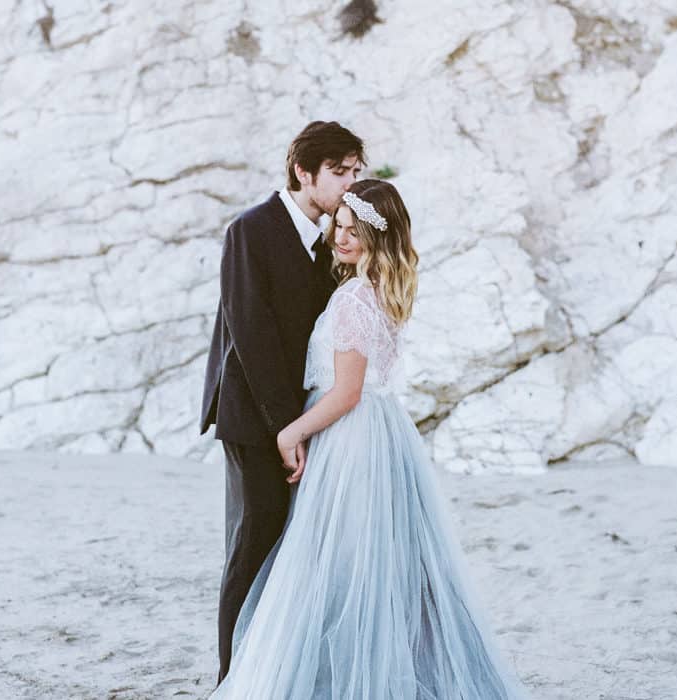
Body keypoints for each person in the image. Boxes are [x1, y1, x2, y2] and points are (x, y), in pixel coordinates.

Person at [210, 179, 526, 698]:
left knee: (334, 562)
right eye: (340, 225)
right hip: (378, 436)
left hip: (349, 438)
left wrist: (291, 430)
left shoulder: (354, 298)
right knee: (373, 563)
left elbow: (347, 392)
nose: (341, 237)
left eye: (354, 231)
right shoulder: (378, 289)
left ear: (378, 238)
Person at [199, 121, 365, 684]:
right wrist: (283, 430)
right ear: (303, 171)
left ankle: (274, 669)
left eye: (355, 172)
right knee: (253, 540)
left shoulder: (332, 237)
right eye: (338, 172)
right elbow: (252, 336)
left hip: (297, 417)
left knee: (288, 545)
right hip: (252, 417)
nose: (349, 183)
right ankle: (231, 678)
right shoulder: (251, 230)